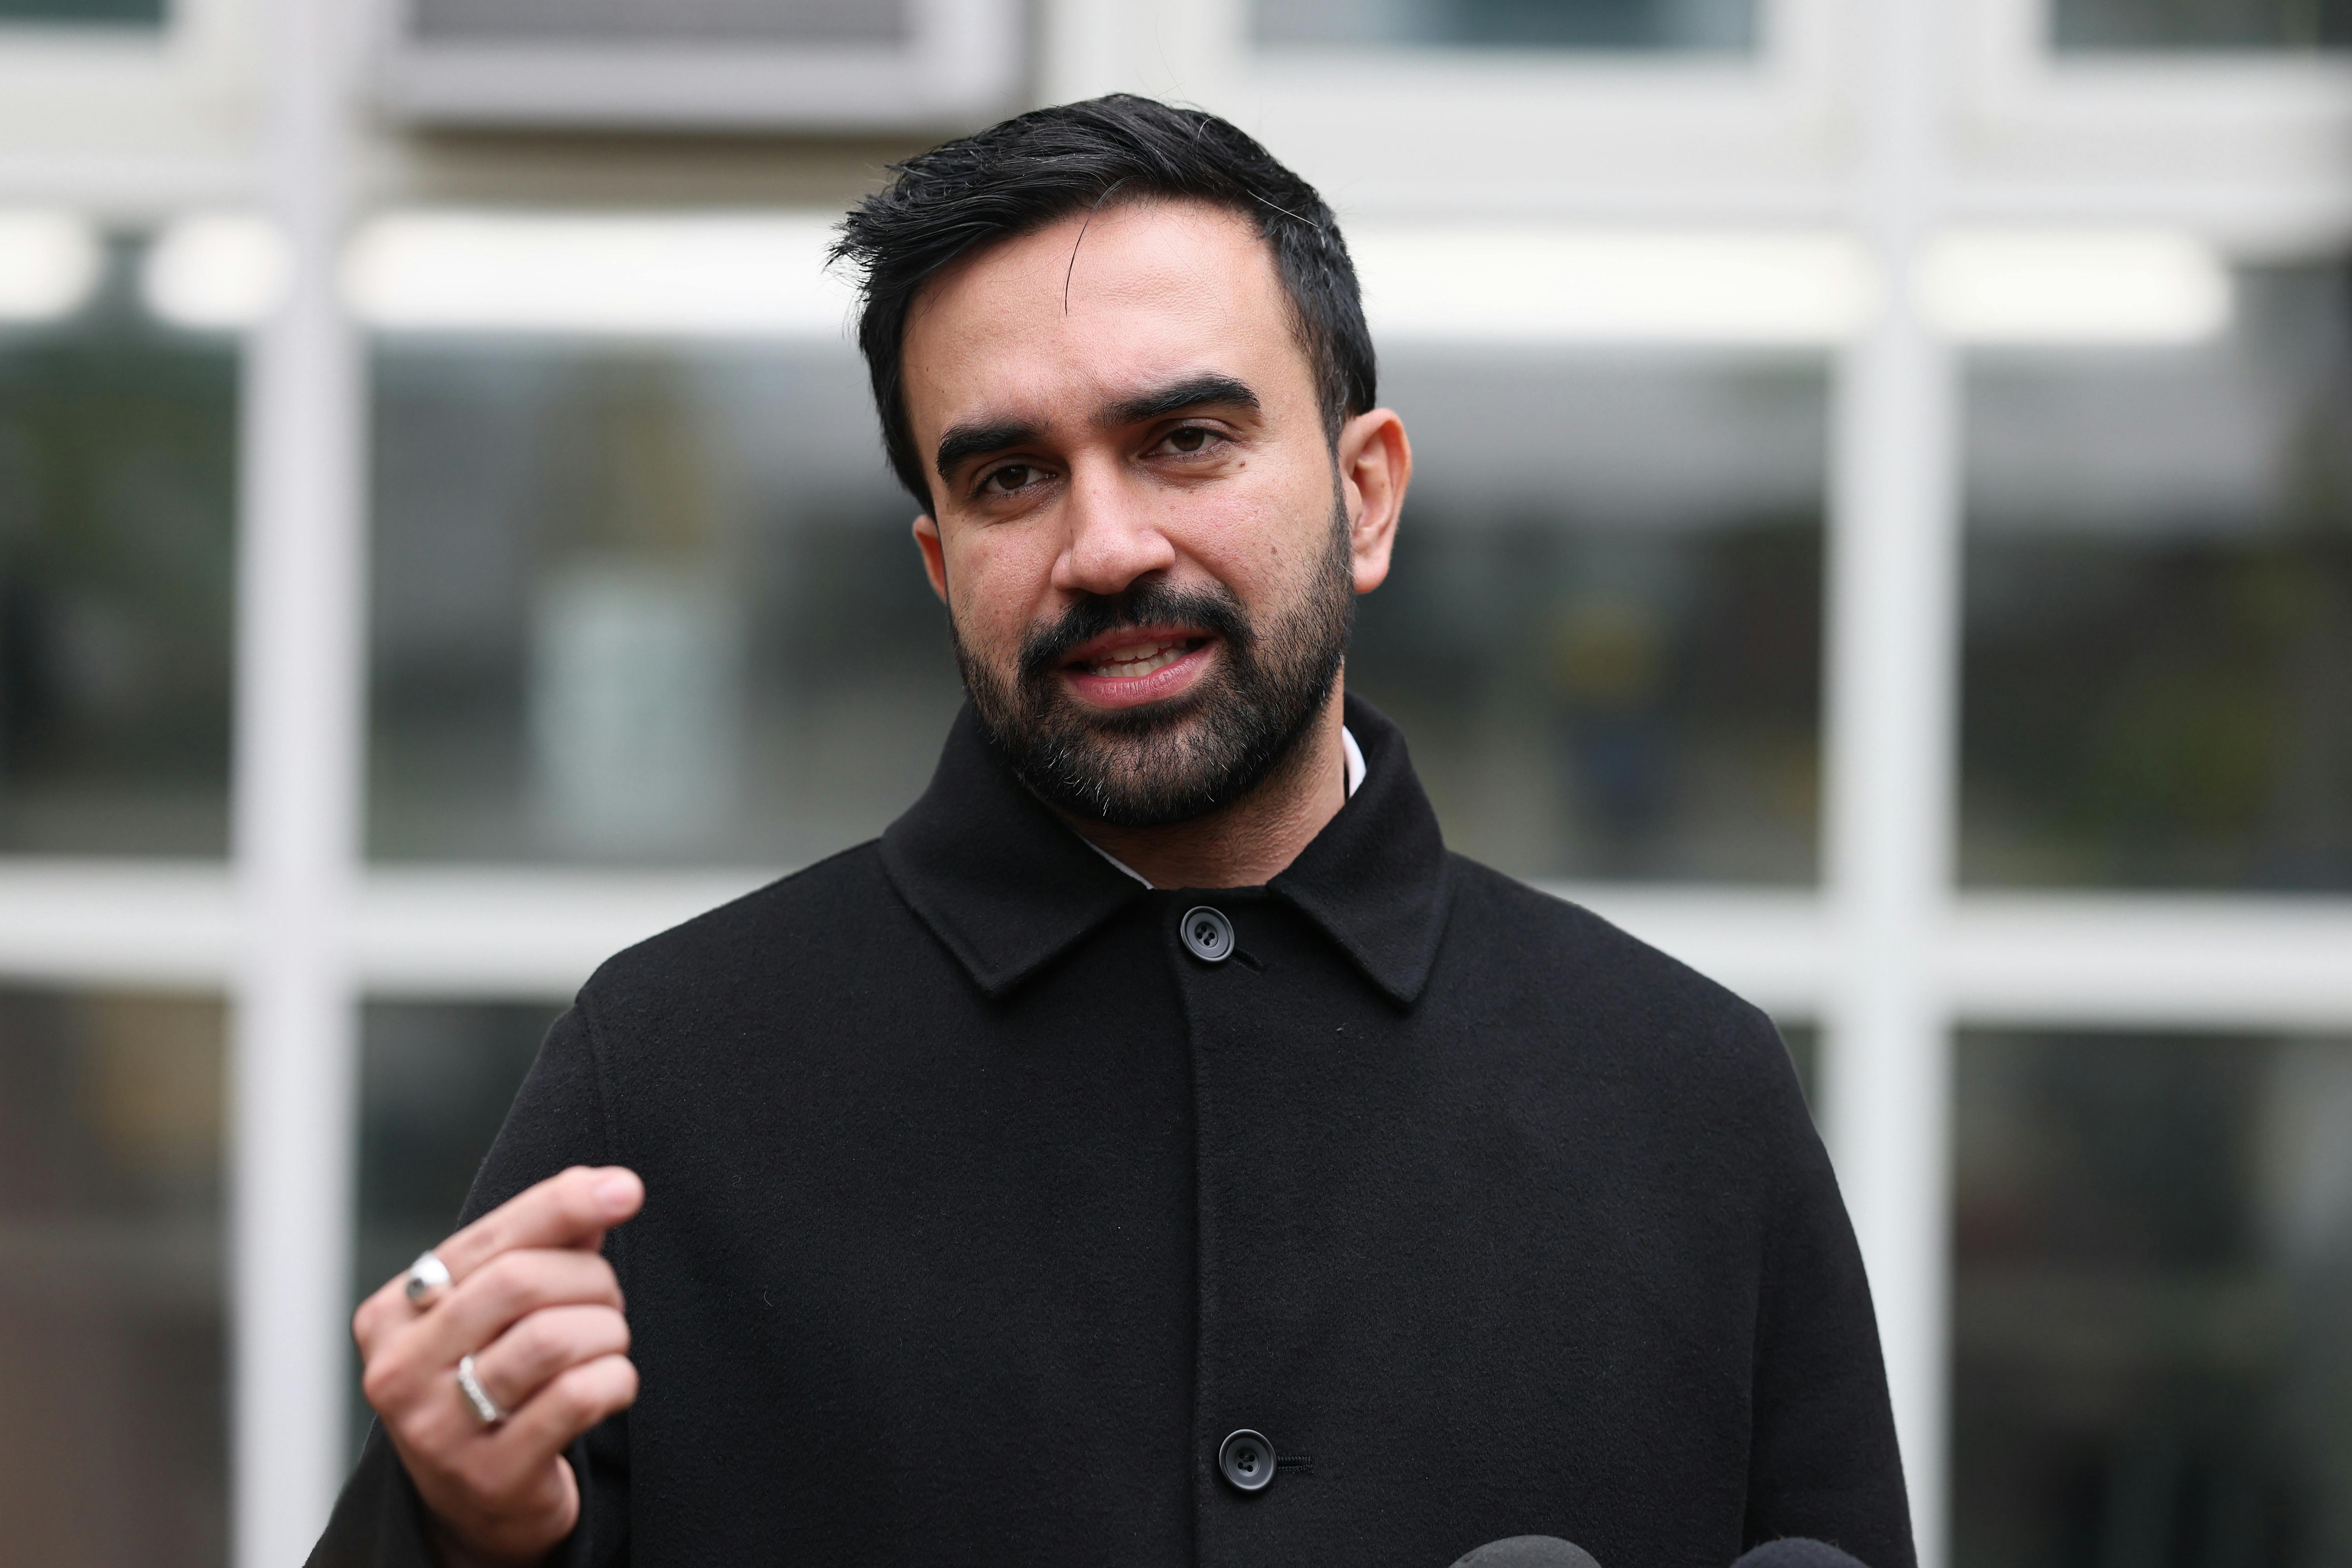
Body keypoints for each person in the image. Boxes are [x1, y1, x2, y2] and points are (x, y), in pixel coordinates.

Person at [312, 95, 1914, 1568]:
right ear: (942, 566)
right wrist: (453, 1530)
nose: (1104, 544)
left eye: (1185, 440)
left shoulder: (1688, 1097)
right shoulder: (661, 1080)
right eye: (1013, 476)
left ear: (1367, 495)